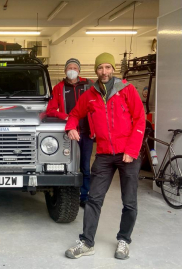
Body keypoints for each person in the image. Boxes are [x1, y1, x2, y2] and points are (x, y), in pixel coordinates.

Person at [64, 53, 145, 260]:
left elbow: (139, 119)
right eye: (101, 68)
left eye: (108, 67)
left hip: (127, 154)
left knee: (129, 201)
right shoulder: (90, 94)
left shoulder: (126, 90)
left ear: (113, 69)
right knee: (93, 199)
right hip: (103, 155)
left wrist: (131, 150)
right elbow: (74, 114)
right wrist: (71, 127)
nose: (104, 72)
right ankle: (87, 242)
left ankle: (124, 240)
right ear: (96, 70)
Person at [46, 58, 94, 207]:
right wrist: (65, 116)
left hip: (86, 132)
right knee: (68, 166)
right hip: (69, 133)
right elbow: (50, 110)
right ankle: (69, 195)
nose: (72, 70)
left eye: (75, 67)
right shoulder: (59, 88)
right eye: (69, 67)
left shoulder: (89, 85)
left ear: (79, 70)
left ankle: (84, 196)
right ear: (65, 70)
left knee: (85, 166)